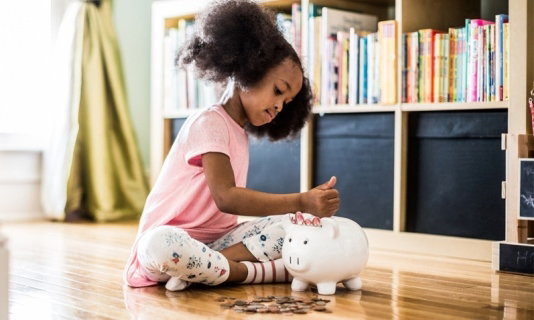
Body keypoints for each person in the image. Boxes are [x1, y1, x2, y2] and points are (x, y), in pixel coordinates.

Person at [123, 0, 340, 291]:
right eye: (278, 91)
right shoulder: (209, 122)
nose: (279, 105)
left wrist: (300, 213)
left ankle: (205, 268)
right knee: (160, 244)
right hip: (171, 242)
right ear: (249, 68)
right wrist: (301, 201)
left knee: (291, 224)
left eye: (286, 102)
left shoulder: (240, 132)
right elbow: (226, 197)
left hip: (220, 244)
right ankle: (249, 273)